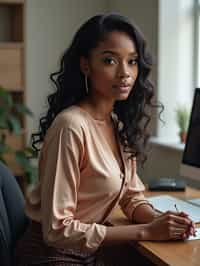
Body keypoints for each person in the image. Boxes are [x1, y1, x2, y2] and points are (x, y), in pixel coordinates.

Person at [15, 13, 196, 266]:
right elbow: (56, 230)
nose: (125, 73)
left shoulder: (116, 124)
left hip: (90, 252)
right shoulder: (71, 126)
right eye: (110, 60)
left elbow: (132, 197)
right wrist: (147, 231)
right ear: (86, 65)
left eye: (132, 61)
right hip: (51, 256)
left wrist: (161, 220)